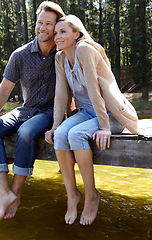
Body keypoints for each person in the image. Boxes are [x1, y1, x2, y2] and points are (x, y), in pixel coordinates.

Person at [45, 15, 139, 226]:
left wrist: (105, 127)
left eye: (63, 32)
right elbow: (61, 95)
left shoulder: (85, 50)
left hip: (110, 113)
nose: (57, 36)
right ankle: (72, 194)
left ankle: (91, 195)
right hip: (87, 112)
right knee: (61, 135)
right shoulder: (59, 58)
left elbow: (96, 91)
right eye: (56, 32)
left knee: (76, 134)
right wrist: (54, 126)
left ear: (77, 34)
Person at [0, 1, 65, 225]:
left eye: (49, 24)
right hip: (25, 109)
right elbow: (5, 88)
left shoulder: (64, 52)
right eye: (40, 22)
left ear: (56, 27)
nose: (43, 28)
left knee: (25, 133)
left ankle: (16, 194)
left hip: (49, 112)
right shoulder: (20, 55)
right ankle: (2, 192)